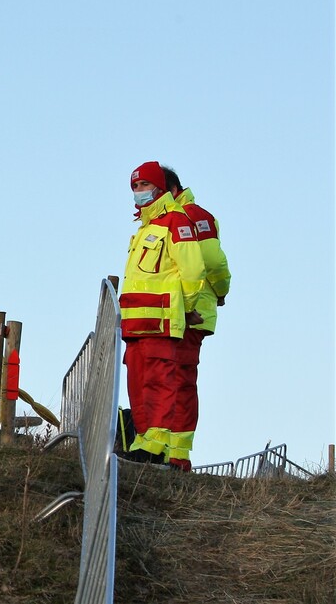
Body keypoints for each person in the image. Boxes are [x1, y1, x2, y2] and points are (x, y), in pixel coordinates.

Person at [119, 162, 206, 470]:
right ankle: (145, 443)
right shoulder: (144, 229)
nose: (138, 192)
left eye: (144, 186)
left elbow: (194, 271)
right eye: (135, 187)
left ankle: (155, 448)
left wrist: (185, 306)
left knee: (160, 385)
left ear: (160, 189)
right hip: (136, 326)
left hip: (162, 322)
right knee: (139, 386)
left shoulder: (175, 222)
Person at [163, 165, 231, 471]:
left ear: (173, 191)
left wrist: (220, 291)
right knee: (170, 382)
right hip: (168, 314)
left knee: (180, 382)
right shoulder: (171, 217)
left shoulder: (194, 216)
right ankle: (167, 452)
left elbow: (214, 263)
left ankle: (176, 456)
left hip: (187, 316)